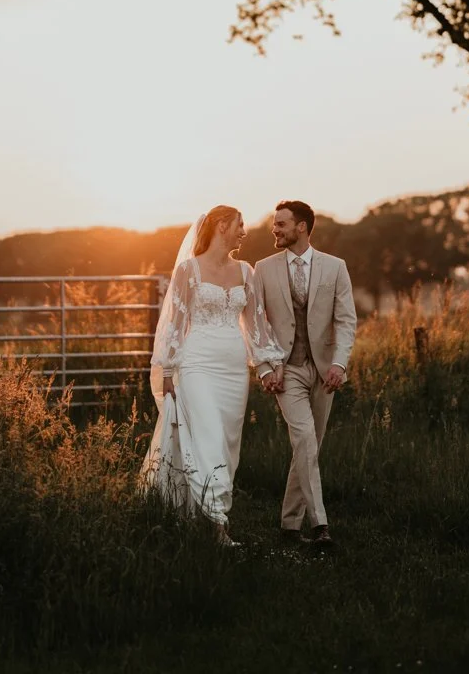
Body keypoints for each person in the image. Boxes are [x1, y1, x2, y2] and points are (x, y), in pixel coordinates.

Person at [141, 205, 284, 544]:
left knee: (226, 445)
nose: (244, 232)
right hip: (196, 364)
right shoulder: (188, 270)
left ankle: (200, 513)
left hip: (233, 369)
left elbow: (256, 324)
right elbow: (174, 323)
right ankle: (217, 525)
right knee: (207, 436)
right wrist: (168, 369)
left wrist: (270, 361)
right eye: (239, 225)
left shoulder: (247, 273)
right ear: (222, 226)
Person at [254, 200, 357, 546]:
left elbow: (346, 321)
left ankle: (288, 526)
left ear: (301, 227)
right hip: (287, 370)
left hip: (325, 370)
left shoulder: (335, 267)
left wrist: (340, 364)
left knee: (309, 447)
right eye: (275, 224)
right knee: (305, 440)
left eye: (281, 224)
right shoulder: (263, 269)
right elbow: (256, 324)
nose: (275, 229)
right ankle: (320, 526)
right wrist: (266, 367)